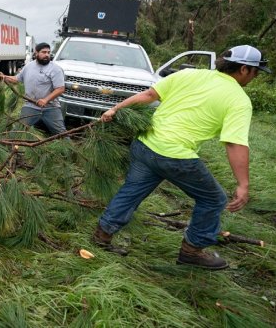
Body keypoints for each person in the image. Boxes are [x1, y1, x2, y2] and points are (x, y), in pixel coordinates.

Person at [94, 45, 270, 270]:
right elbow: (234, 143)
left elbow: (149, 95)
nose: (255, 77)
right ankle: (192, 250)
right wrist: (243, 184)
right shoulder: (239, 100)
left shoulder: (189, 74)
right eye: (256, 72)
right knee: (214, 199)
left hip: (145, 145)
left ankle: (102, 235)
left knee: (131, 191)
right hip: (175, 156)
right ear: (244, 69)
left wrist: (115, 109)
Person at [0, 42, 67, 135]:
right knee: (18, 131)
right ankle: (10, 148)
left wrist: (45, 100)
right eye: (43, 52)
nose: (47, 55)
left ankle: (68, 149)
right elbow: (16, 79)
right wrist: (3, 77)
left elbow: (60, 88)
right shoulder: (29, 66)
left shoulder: (55, 69)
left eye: (48, 52)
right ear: (36, 53)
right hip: (30, 106)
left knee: (61, 133)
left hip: (51, 108)